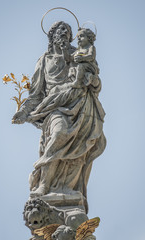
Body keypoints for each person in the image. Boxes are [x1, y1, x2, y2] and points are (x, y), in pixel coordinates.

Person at [12, 21, 106, 211]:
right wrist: (23, 111)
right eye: (60, 29)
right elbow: (36, 94)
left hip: (81, 105)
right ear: (52, 34)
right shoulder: (44, 60)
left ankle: (67, 188)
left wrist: (93, 81)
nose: (64, 33)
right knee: (59, 133)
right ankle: (45, 184)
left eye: (68, 31)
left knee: (79, 149)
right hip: (56, 106)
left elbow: (95, 81)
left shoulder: (78, 54)